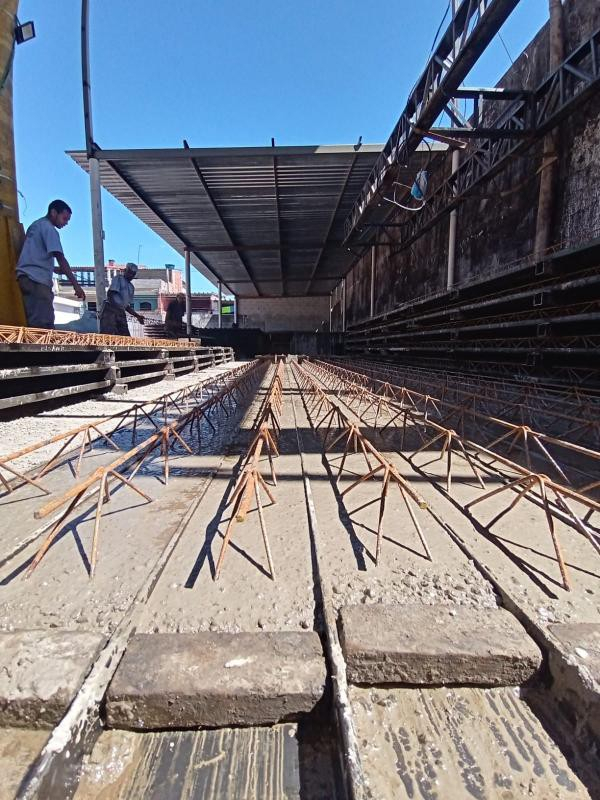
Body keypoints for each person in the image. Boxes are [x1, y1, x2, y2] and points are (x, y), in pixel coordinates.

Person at [16, 200, 86, 329]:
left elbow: (33, 256)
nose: (66, 223)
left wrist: (52, 268)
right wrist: (76, 286)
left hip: (26, 278)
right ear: (54, 212)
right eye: (64, 218)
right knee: (43, 324)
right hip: (37, 281)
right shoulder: (49, 229)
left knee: (35, 320)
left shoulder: (35, 226)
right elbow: (60, 258)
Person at [99, 262, 145, 336]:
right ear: (125, 271)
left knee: (125, 337)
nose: (130, 275)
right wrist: (116, 309)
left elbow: (126, 306)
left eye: (132, 274)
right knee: (108, 336)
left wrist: (137, 316)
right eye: (129, 272)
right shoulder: (118, 278)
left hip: (120, 312)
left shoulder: (131, 287)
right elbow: (110, 294)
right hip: (110, 311)